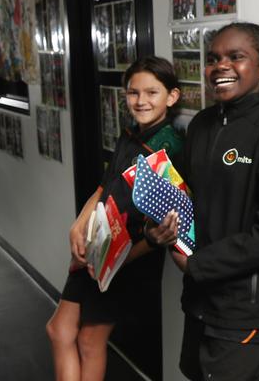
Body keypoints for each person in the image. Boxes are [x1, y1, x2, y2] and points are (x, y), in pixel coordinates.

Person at [148, 22, 259, 380]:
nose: (220, 66)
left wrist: (197, 264)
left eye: (236, 57)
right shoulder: (201, 125)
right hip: (202, 304)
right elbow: (183, 200)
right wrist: (159, 230)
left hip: (250, 313)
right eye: (213, 58)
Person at [46, 56, 183, 380]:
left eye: (152, 92)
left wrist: (112, 261)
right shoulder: (131, 134)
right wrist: (79, 222)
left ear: (172, 96)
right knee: (59, 330)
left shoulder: (170, 150)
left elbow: (161, 232)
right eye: (133, 93)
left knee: (90, 341)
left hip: (126, 260)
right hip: (95, 247)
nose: (141, 101)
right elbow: (106, 185)